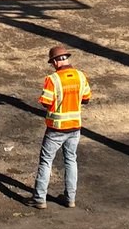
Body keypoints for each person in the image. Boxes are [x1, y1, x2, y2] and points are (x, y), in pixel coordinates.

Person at [31, 43, 92, 209]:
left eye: (52, 63)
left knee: (46, 162)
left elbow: (46, 102)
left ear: (57, 61)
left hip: (56, 129)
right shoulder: (81, 76)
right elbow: (86, 99)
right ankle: (70, 198)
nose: (53, 66)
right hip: (75, 128)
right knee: (71, 160)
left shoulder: (53, 80)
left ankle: (39, 198)